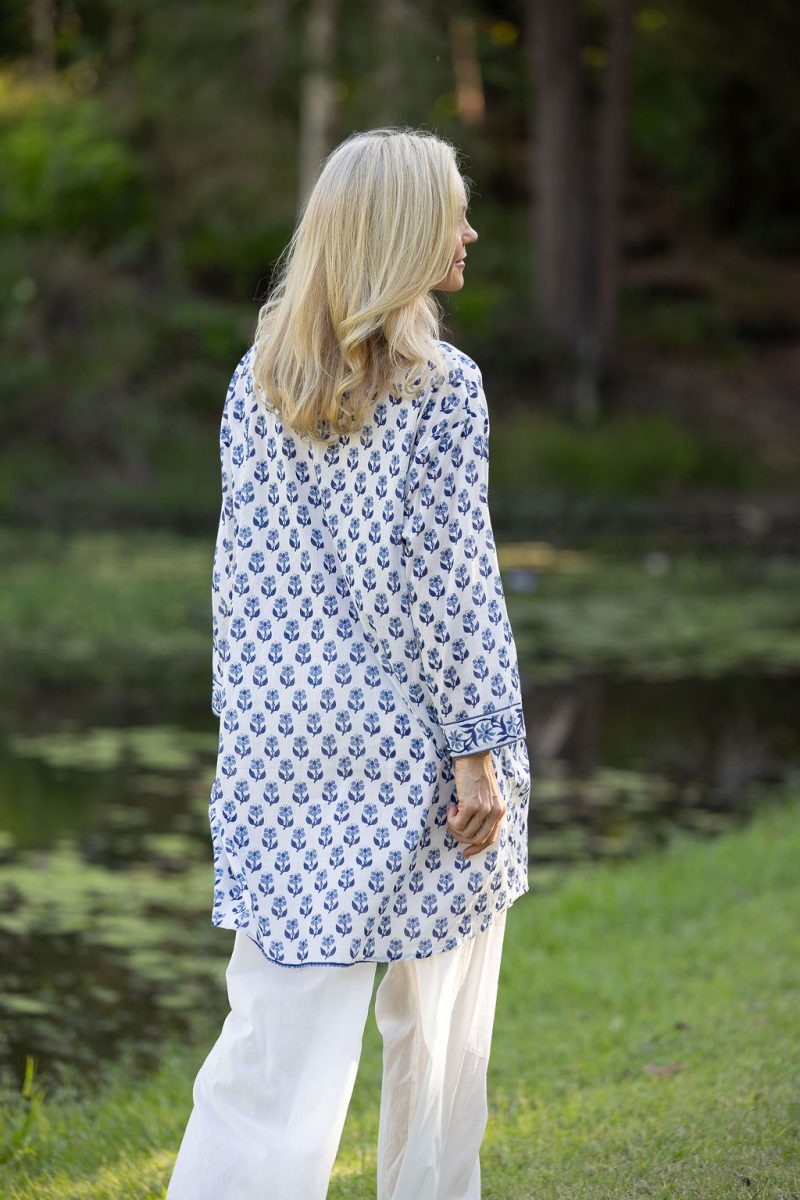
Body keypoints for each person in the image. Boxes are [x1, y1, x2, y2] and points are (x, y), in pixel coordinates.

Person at [165, 126, 532, 1200]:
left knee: (270, 1057)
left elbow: (239, 590)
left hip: (286, 751)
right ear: (405, 231)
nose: (468, 229)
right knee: (436, 1046)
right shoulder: (443, 387)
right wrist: (475, 753)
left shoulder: (255, 383)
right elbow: (447, 585)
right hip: (420, 753)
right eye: (452, 210)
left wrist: (248, 739)